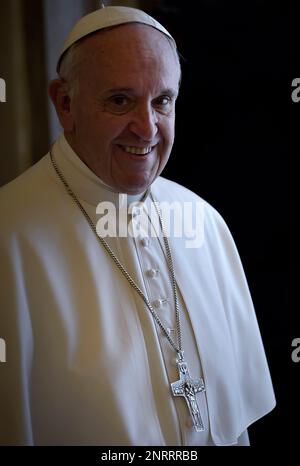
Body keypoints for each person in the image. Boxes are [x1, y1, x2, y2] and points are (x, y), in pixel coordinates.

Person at [0, 5, 275, 446]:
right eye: (120, 100)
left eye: (162, 101)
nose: (146, 128)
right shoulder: (8, 235)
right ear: (64, 104)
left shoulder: (205, 222)